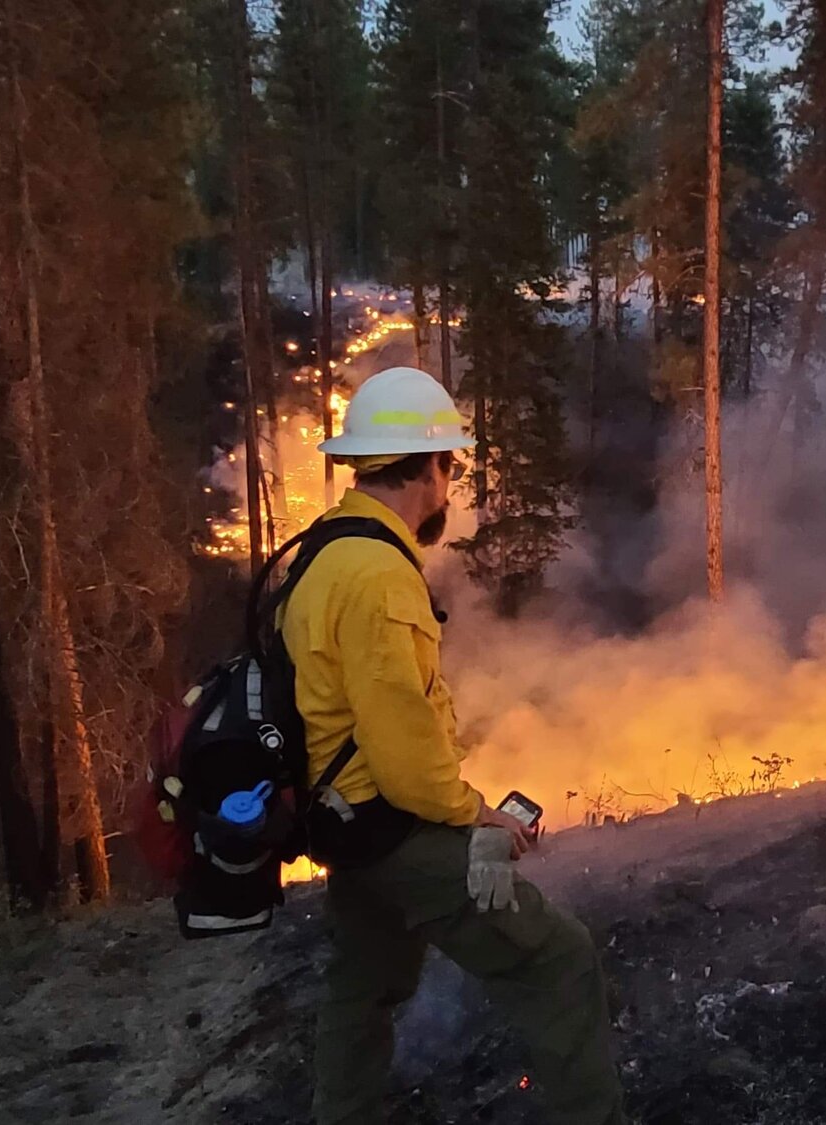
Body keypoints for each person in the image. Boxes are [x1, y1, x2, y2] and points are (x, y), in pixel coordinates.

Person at [285, 366, 629, 1125]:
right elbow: (403, 748)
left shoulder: (325, 551)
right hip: (391, 826)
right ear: (426, 468)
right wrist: (477, 816)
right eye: (449, 466)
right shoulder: (378, 575)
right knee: (558, 957)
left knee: (362, 989)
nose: (450, 485)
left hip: (340, 823)